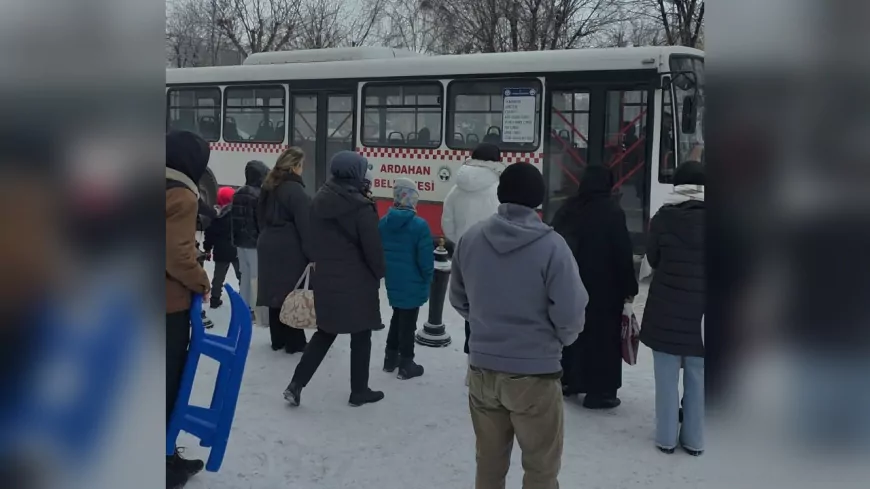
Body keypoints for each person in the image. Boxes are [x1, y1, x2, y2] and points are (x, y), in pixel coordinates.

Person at [450, 162, 588, 489]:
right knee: (541, 468)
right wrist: (559, 341)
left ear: (500, 194)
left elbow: (459, 298)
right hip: (535, 377)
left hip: (483, 371)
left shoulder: (470, 239)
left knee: (488, 464)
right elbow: (571, 313)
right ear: (539, 200)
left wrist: (486, 326)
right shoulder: (552, 247)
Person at [283, 151, 386, 407]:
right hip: (358, 281)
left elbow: (311, 239)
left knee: (325, 332)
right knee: (361, 335)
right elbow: (373, 248)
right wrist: (381, 272)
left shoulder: (319, 199)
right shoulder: (361, 207)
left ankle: (296, 384)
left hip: (327, 277)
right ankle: (359, 390)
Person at [551, 165, 638, 409]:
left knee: (573, 333)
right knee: (602, 340)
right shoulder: (612, 212)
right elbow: (622, 252)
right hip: (604, 290)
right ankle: (600, 392)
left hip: (569, 283)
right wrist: (629, 286)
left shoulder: (569, 207)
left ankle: (569, 380)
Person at [640, 161, 705, 456]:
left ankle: (666, 439)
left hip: (665, 310)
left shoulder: (663, 218)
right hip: (705, 316)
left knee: (666, 381)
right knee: (700, 380)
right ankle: (694, 440)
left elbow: (652, 259)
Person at [165, 130, 211, 488]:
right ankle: (163, 464)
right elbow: (176, 255)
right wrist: (201, 280)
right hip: (167, 305)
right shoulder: (182, 195)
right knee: (167, 383)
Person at [440, 142, 505, 354]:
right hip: (495, 256)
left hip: (464, 254)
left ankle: (472, 357)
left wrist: (460, 241)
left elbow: (447, 224)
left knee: (470, 307)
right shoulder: (500, 190)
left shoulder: (456, 189)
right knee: (493, 308)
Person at [256, 148, 311, 354]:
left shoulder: (268, 186)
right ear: (294, 166)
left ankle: (277, 339)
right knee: (292, 293)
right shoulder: (295, 191)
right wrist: (312, 254)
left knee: (274, 293)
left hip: (268, 243)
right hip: (289, 247)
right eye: (301, 165)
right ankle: (295, 342)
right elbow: (305, 226)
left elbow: (259, 216)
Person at [379, 178, 434, 380]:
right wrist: (428, 277)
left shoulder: (383, 223)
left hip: (393, 280)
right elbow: (426, 260)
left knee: (397, 316)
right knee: (409, 321)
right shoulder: (419, 225)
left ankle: (390, 358)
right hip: (413, 281)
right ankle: (406, 363)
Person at [231, 160, 270, 322]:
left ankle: (243, 308)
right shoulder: (259, 195)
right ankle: (259, 313)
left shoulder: (238, 193)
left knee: (245, 275)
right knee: (257, 277)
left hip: (240, 242)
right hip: (255, 243)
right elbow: (261, 221)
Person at [204, 186, 240, 309]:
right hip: (236, 249)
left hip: (220, 251)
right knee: (241, 275)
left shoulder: (216, 216)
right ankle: (244, 296)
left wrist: (207, 249)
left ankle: (215, 299)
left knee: (218, 277)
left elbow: (209, 234)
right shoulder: (237, 214)